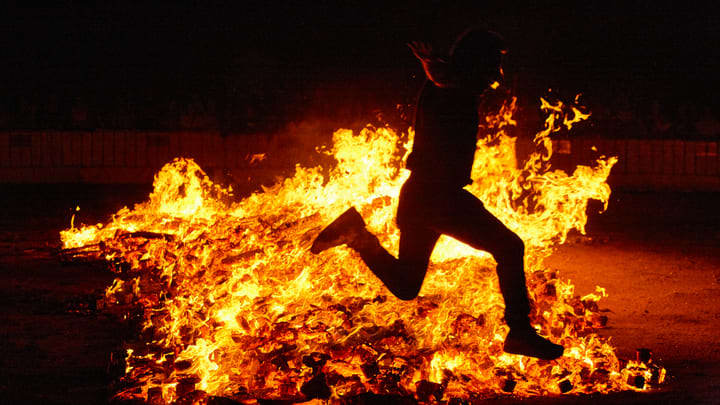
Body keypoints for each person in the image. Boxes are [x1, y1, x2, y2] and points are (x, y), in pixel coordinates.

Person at [311, 28, 564, 360]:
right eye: (492, 64)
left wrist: (438, 65)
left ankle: (356, 234)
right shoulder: (450, 86)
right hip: (439, 196)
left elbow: (450, 78)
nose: (496, 74)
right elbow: (450, 80)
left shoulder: (451, 86)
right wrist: (435, 65)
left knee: (405, 285)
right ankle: (519, 332)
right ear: (475, 63)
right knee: (510, 246)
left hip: (419, 196)